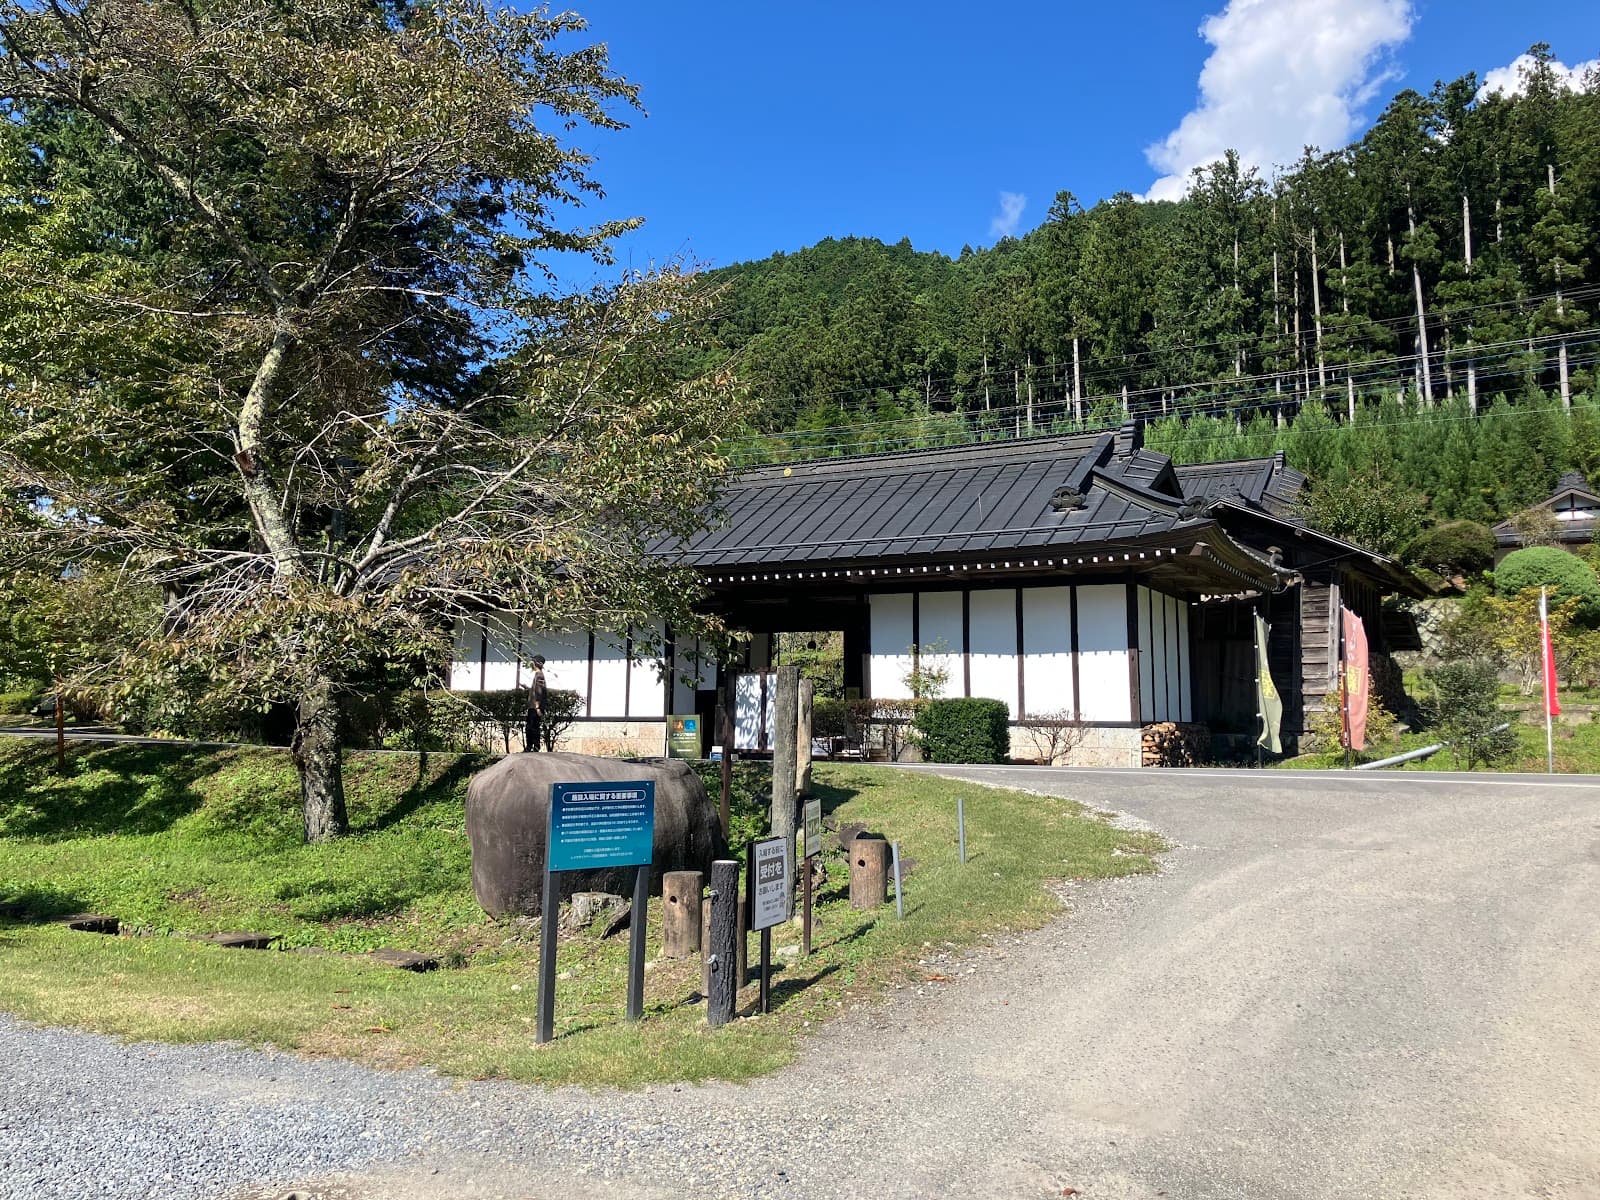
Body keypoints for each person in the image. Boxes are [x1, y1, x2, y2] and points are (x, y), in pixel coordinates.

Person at [524, 655, 548, 752]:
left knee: (533, 727)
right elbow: (535, 690)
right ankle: (530, 746)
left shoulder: (539, 675)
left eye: (533, 662)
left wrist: (537, 706)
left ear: (536, 663)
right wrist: (527, 688)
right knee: (531, 726)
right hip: (533, 706)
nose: (531, 664)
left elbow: (539, 691)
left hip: (535, 707)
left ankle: (534, 747)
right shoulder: (537, 675)